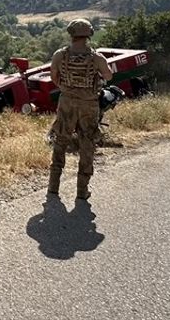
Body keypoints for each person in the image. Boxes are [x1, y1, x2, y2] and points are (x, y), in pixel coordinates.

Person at [48, 18, 114, 201]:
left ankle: (53, 187)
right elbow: (108, 75)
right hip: (88, 103)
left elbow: (54, 75)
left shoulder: (59, 55)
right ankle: (81, 191)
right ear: (89, 34)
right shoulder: (96, 57)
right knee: (87, 143)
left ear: (71, 34)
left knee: (60, 140)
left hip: (66, 101)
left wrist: (66, 88)